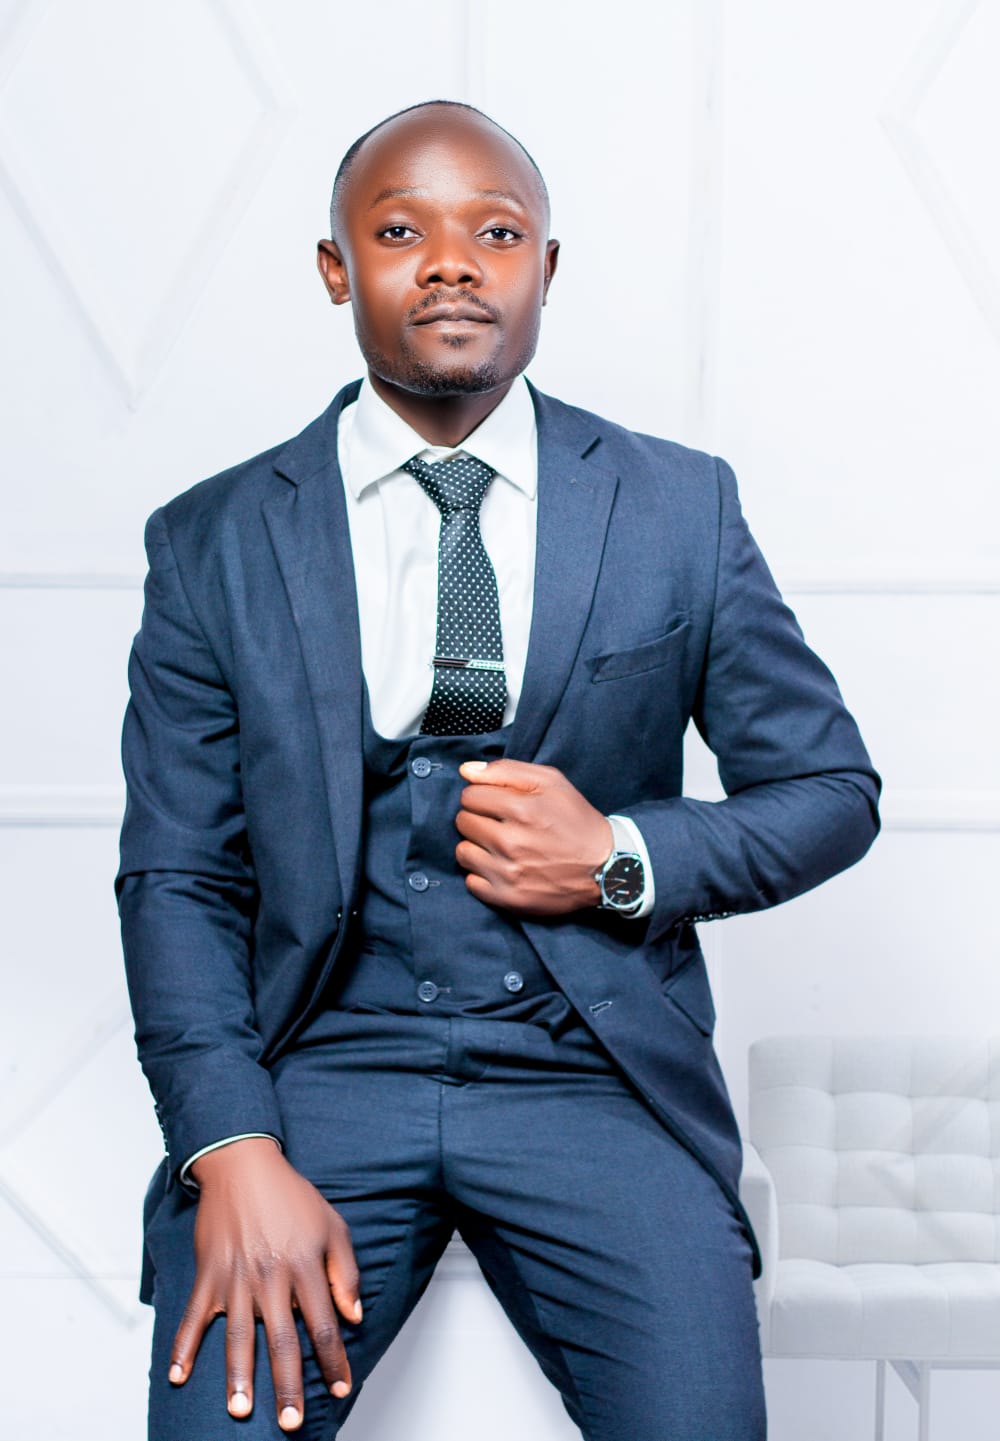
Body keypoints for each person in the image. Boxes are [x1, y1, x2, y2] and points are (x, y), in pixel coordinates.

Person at [117, 100, 880, 1441]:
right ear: (336, 268)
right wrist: (229, 1145)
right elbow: (178, 874)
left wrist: (620, 858)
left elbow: (830, 791)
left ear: (546, 267)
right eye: (400, 231)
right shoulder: (213, 539)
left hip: (591, 1070)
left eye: (498, 233)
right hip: (319, 1069)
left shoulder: (676, 506)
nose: (454, 263)